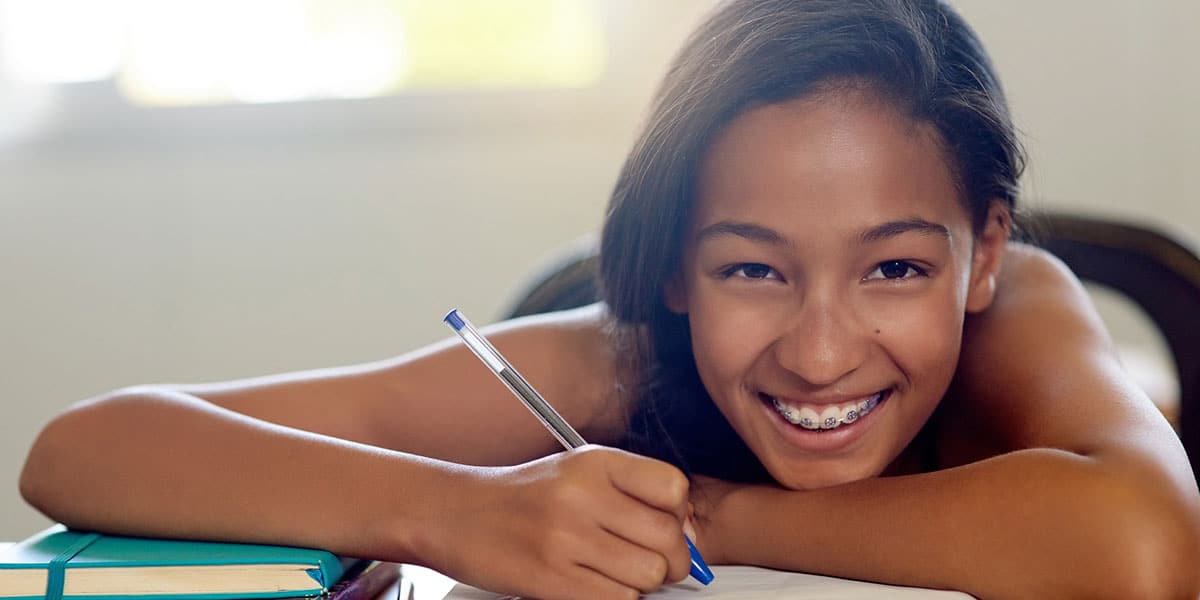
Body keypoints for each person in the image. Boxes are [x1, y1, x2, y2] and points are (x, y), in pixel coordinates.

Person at [19, 1, 1200, 598]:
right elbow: (83, 449)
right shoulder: (620, 362)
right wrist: (456, 512)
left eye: (896, 267)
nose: (824, 349)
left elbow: (1146, 547)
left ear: (983, 252)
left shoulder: (1017, 317)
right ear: (676, 268)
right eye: (751, 268)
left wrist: (704, 519)